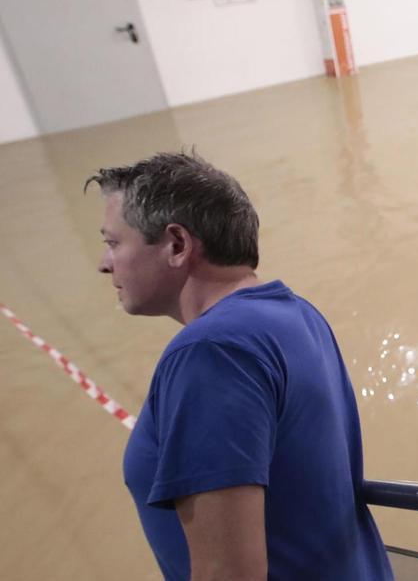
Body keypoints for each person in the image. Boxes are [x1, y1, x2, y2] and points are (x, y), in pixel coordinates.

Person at [87, 151, 394, 581]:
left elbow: (228, 573)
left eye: (114, 242)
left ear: (177, 245)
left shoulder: (211, 351)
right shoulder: (296, 314)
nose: (104, 263)